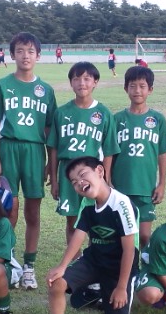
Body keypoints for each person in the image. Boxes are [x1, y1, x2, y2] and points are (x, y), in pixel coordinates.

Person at [44, 156, 139, 314]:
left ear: (100, 171)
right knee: (57, 283)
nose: (79, 183)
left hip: (119, 266)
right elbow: (79, 234)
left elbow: (129, 251)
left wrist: (121, 287)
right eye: (74, 182)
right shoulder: (87, 203)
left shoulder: (121, 203)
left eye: (83, 175)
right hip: (95, 259)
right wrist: (62, 266)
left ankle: (109, 293)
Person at [0, 32, 56, 290]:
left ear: (38, 56)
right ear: (12, 54)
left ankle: (29, 266)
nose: (26, 56)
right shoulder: (2, 85)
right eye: (21, 51)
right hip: (8, 149)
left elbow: (49, 129)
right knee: (8, 209)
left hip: (34, 151)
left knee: (33, 210)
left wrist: (50, 163)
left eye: (31, 51)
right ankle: (9, 260)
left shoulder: (46, 90)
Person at [47, 62, 119, 244]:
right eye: (76, 79)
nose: (82, 83)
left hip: (93, 174)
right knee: (72, 222)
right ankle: (75, 259)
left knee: (95, 220)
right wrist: (54, 180)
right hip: (68, 173)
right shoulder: (61, 113)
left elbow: (109, 150)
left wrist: (106, 179)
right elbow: (54, 148)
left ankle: (93, 257)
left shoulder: (103, 113)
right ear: (71, 83)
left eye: (87, 79)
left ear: (95, 82)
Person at [112, 66, 166, 247]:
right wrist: (108, 181)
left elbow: (162, 153)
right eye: (132, 86)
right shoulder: (117, 119)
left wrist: (162, 184)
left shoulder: (158, 119)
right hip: (121, 186)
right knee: (120, 234)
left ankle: (143, 265)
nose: (137, 90)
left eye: (142, 86)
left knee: (144, 236)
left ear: (150, 89)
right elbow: (109, 153)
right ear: (125, 89)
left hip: (146, 188)